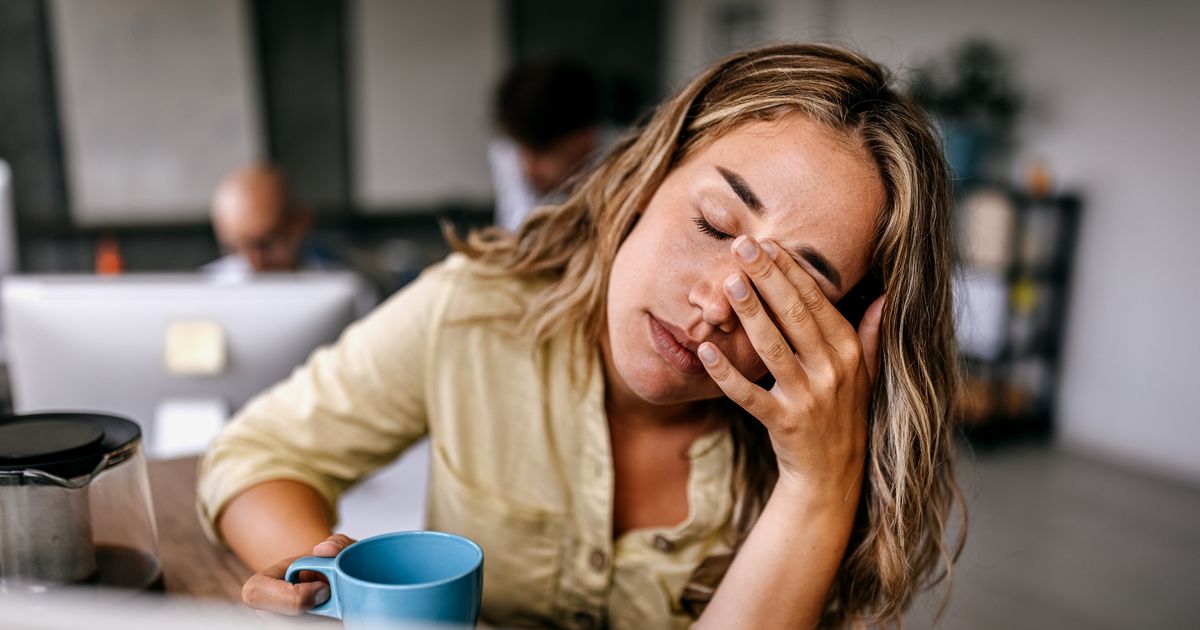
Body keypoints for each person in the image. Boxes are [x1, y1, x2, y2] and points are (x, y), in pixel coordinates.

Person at [200, 44, 964, 628]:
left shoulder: (827, 447)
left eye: (791, 289)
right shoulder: (475, 314)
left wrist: (817, 488)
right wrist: (316, 577)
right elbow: (258, 454)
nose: (715, 304)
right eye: (713, 223)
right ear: (646, 175)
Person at [489, 61, 608, 232]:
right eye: (522, 149)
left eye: (542, 151)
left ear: (584, 138)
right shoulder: (509, 154)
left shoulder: (625, 162)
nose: (529, 166)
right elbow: (517, 235)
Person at [203, 163, 331, 280]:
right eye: (234, 249)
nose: (253, 266)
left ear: (300, 223)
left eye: (264, 245)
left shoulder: (335, 279)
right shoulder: (205, 288)